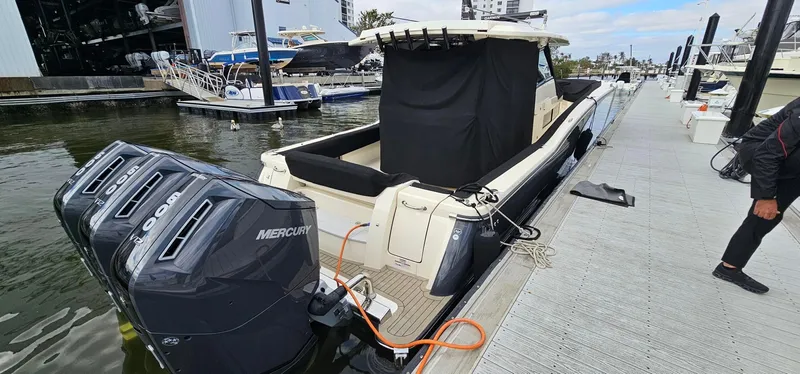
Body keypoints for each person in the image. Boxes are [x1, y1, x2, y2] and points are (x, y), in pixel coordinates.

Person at [714, 96, 800, 294]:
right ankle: (729, 267)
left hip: (788, 158)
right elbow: (768, 155)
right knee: (766, 215)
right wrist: (766, 197)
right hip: (761, 152)